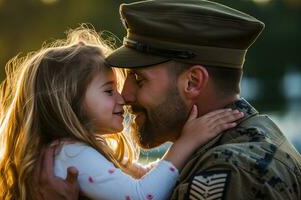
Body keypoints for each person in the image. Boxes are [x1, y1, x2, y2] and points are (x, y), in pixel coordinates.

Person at [37, 0, 301, 199]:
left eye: (139, 80)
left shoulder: (232, 171)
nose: (125, 96)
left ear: (192, 82)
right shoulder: (241, 140)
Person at [0, 27, 243, 200]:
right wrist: (187, 143)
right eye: (108, 90)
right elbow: (142, 196)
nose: (123, 98)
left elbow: (143, 176)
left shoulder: (74, 151)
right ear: (70, 101)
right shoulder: (73, 154)